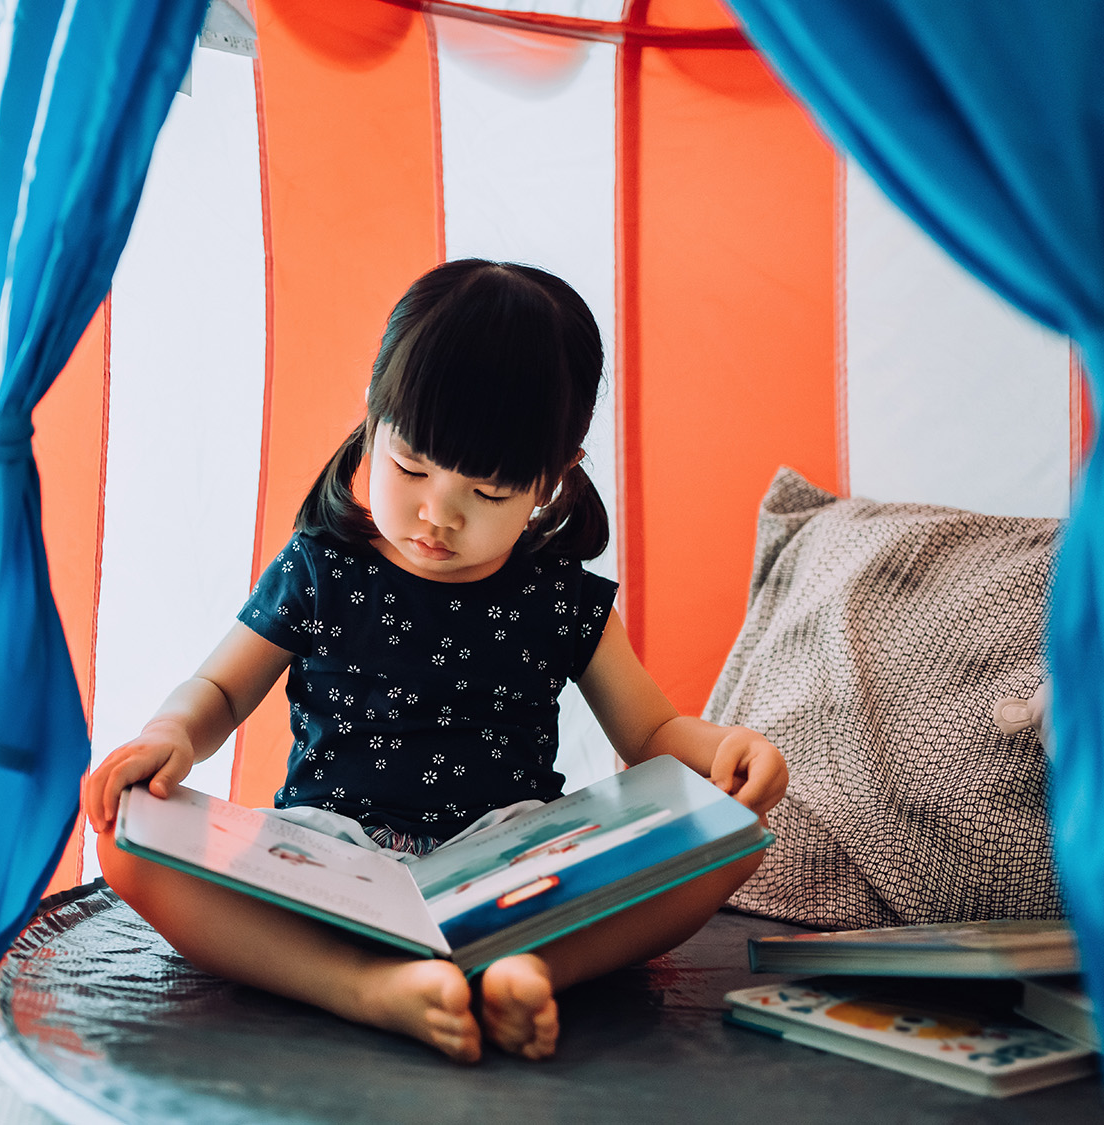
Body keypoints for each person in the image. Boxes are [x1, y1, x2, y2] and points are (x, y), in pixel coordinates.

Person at [83, 259, 788, 1063]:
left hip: (515, 867)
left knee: (737, 839)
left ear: (552, 482)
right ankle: (364, 985)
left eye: (487, 493)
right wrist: (172, 731)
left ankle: (517, 969)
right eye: (412, 466)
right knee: (127, 847)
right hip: (328, 857)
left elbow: (652, 730)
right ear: (374, 417)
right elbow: (219, 686)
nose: (435, 513)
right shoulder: (321, 566)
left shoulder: (559, 597)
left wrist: (724, 752)